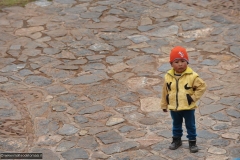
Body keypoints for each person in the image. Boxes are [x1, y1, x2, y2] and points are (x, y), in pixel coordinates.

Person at [161, 46, 207, 153]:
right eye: (176, 61)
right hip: (174, 107)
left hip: (188, 107)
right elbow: (165, 91)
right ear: (171, 64)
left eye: (183, 61)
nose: (180, 64)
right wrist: (164, 104)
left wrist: (193, 98)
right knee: (176, 125)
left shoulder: (192, 76)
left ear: (187, 62)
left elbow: (202, 86)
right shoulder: (168, 76)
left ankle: (192, 142)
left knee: (190, 125)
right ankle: (176, 140)